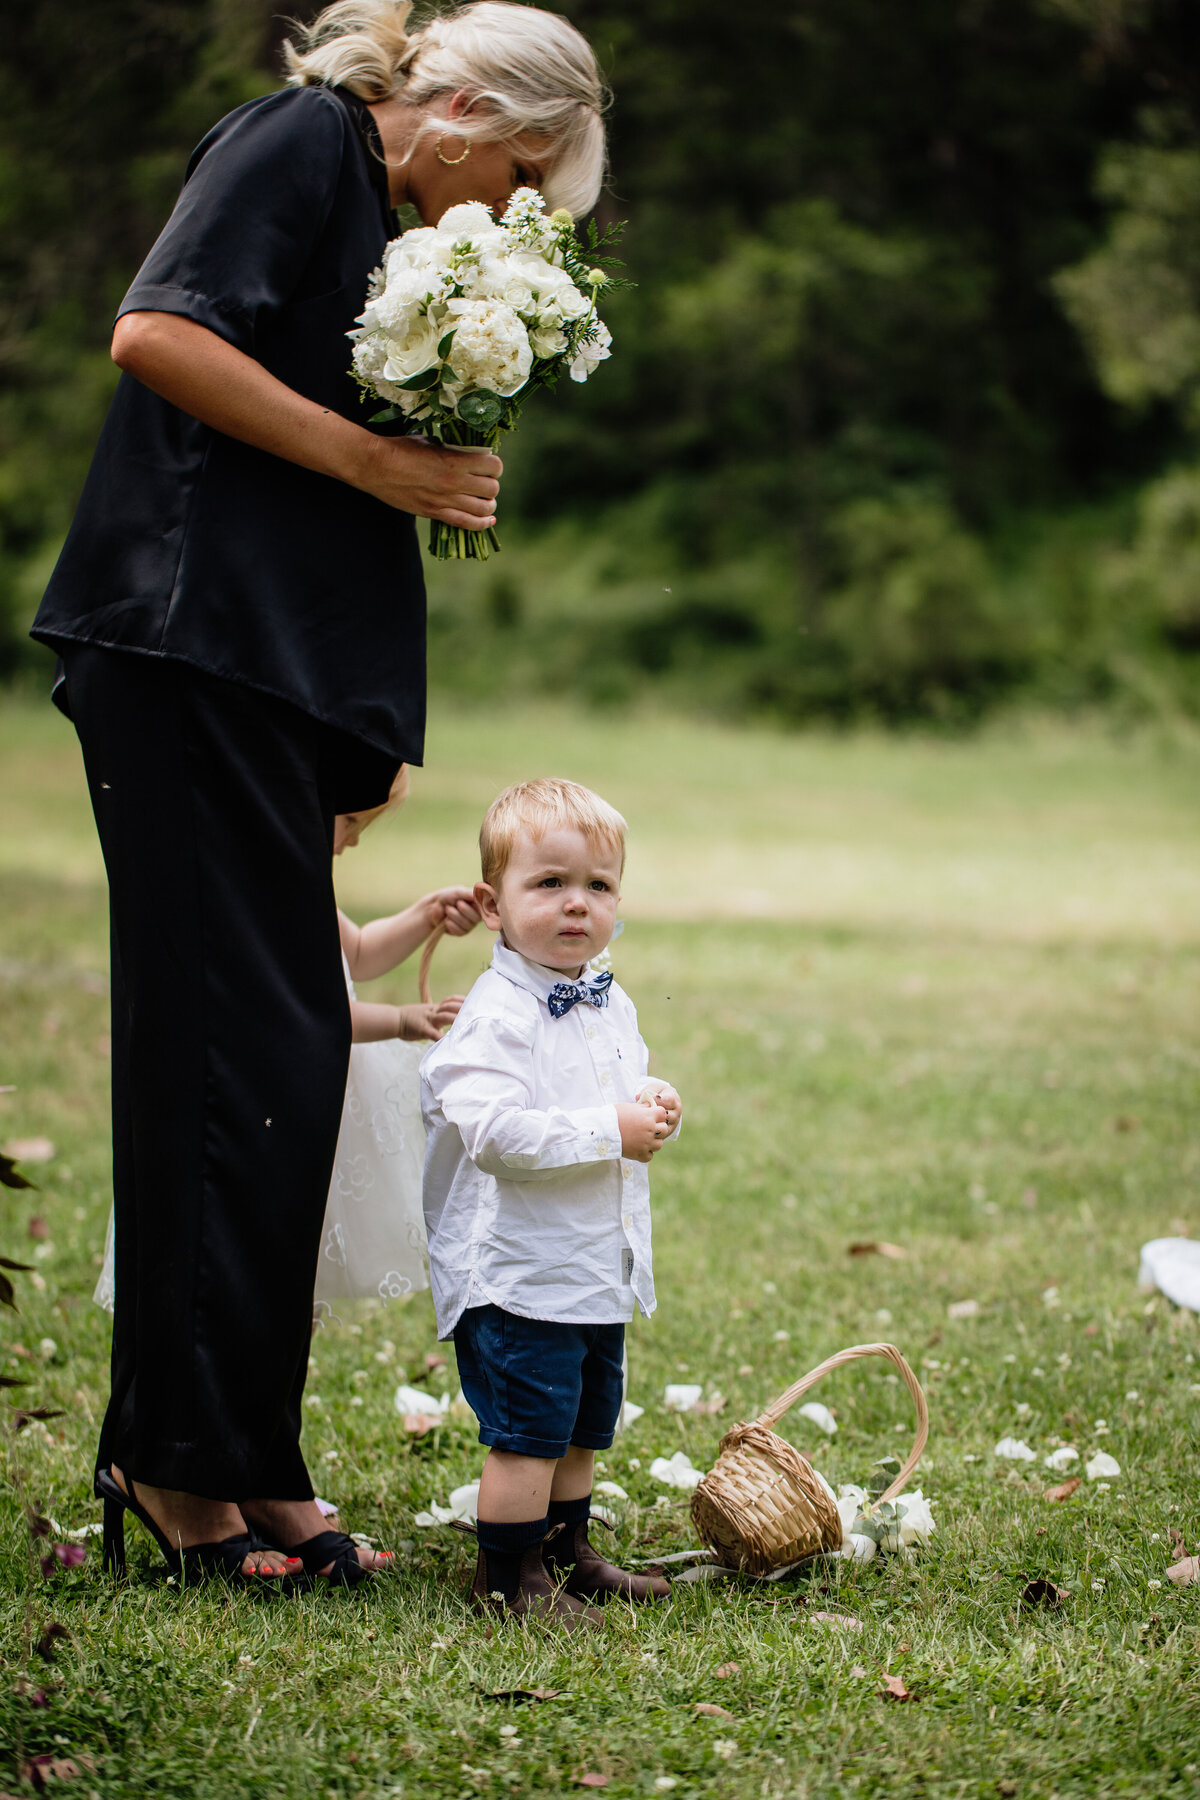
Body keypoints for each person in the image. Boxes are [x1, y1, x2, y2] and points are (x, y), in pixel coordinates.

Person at [28, 0, 609, 1585]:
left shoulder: (388, 209)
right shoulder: (302, 141)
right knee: (223, 1062)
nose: (497, 206)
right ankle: (179, 1470)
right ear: (469, 100)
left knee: (275, 1053)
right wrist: (380, 465)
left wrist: (356, 719)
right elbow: (159, 335)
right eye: (513, 169)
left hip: (266, 679)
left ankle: (246, 1456)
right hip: (183, 649)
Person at [421, 779, 683, 1626]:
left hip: (588, 1262)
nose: (577, 904)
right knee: (529, 1430)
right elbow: (496, 1135)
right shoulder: (497, 1015)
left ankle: (569, 1552)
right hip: (519, 1272)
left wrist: (649, 1099)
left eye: (598, 887)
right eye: (550, 884)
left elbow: (609, 1085)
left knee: (581, 1423)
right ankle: (508, 1577)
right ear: (494, 906)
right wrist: (612, 1128)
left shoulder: (606, 993)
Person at [315, 773, 481, 1318]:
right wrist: (402, 1019)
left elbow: (358, 953)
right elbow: (311, 1011)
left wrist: (426, 913)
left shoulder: (309, 881)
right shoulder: (267, 891)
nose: (355, 839)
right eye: (351, 821)